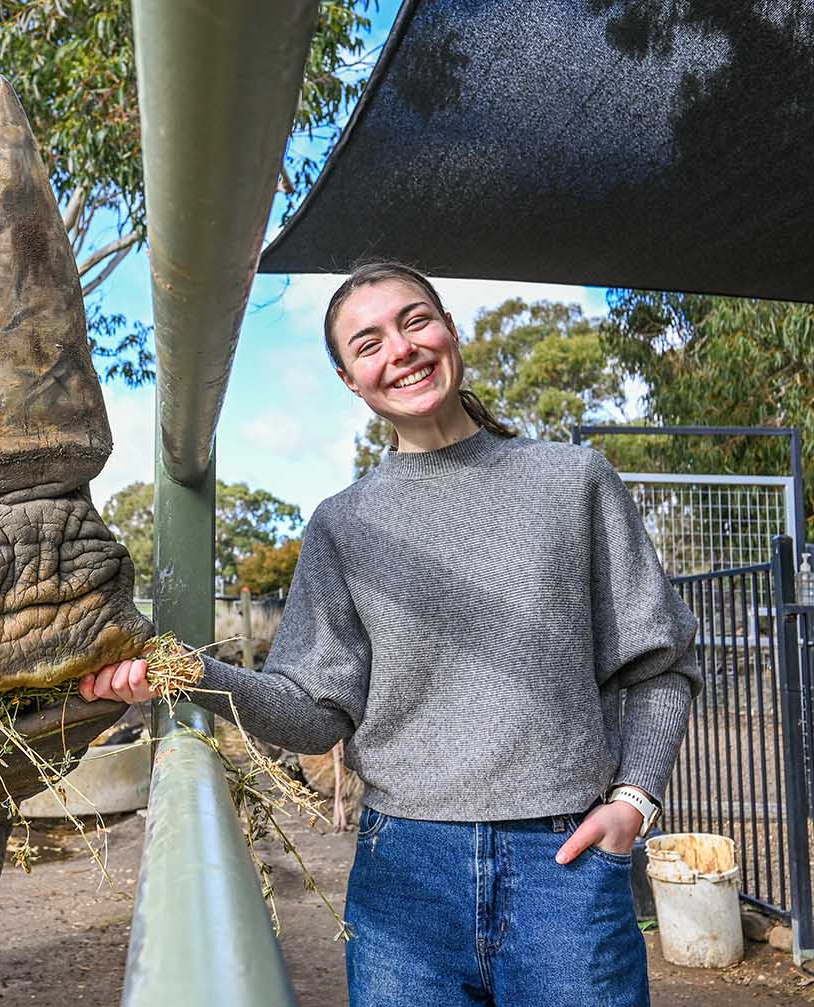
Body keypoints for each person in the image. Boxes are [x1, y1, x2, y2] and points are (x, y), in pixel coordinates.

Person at [78, 261, 702, 1007]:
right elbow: (315, 716)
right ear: (350, 380)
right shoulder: (343, 525)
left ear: (450, 330)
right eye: (367, 343)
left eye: (414, 322)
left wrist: (634, 800)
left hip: (565, 868)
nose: (400, 350)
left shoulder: (574, 481)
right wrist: (186, 673)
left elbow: (661, 663)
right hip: (404, 876)